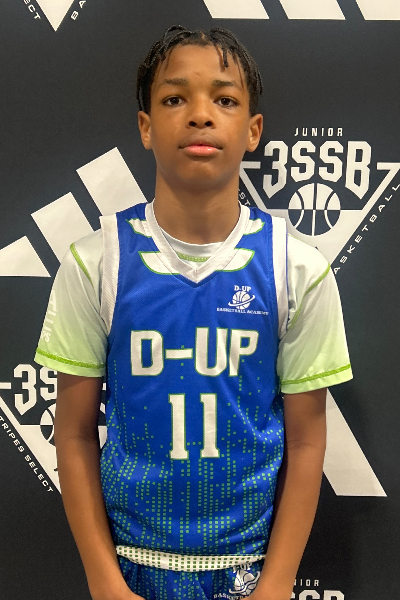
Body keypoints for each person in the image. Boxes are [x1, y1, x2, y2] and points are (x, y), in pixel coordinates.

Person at [34, 25, 352, 600]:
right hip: (130, 566)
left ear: (253, 130)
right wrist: (105, 583)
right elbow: (74, 433)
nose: (201, 115)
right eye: (175, 98)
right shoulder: (97, 263)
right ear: (145, 127)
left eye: (224, 100)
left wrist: (276, 585)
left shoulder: (296, 270)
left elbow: (307, 442)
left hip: (247, 570)